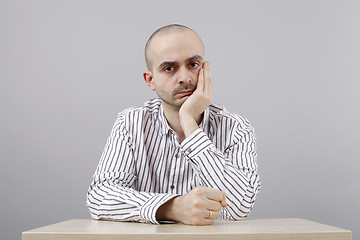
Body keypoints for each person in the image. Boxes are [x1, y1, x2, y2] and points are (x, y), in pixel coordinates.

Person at [86, 24, 260, 225]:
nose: (185, 78)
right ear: (150, 80)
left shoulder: (236, 129)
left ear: (205, 69)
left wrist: (189, 123)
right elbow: (100, 197)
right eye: (169, 68)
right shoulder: (131, 123)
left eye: (193, 64)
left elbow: (239, 207)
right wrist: (174, 207)